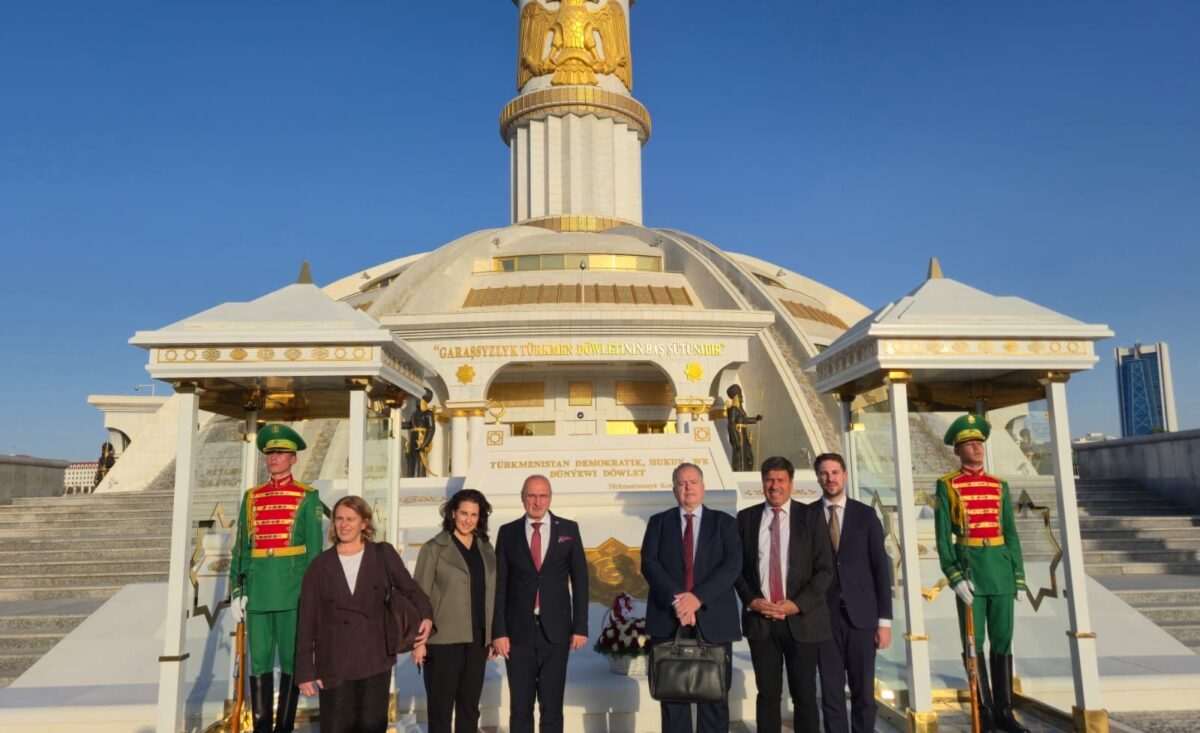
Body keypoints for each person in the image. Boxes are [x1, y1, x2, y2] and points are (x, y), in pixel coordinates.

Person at [295, 496, 433, 733]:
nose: (344, 524)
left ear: (364, 524)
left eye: (351, 519)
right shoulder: (319, 566)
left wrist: (427, 617)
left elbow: (411, 589)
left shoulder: (382, 554)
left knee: (371, 727)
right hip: (334, 664)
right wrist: (305, 671)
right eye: (339, 519)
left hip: (375, 659)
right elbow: (307, 621)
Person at [935, 415, 1029, 733]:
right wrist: (954, 576)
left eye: (979, 444)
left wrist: (1018, 575)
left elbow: (1012, 534)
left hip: (1000, 571)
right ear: (958, 450)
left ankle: (1004, 710)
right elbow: (942, 537)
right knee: (974, 644)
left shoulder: (999, 486)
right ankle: (984, 710)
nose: (977, 449)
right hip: (971, 572)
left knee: (1003, 642)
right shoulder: (947, 485)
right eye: (970, 445)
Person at [229, 424, 325, 733]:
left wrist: (311, 596)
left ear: (293, 459)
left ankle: (284, 727)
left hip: (291, 592)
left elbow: (314, 553)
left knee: (290, 662)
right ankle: (261, 728)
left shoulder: (307, 497)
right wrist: (236, 589)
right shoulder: (252, 497)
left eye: (280, 453)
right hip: (257, 592)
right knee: (257, 665)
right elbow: (241, 547)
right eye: (270, 453)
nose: (273, 458)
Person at [641, 462, 742, 733]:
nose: (688, 488)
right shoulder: (658, 523)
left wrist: (697, 598)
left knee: (714, 697)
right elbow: (649, 564)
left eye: (693, 482)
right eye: (682, 483)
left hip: (713, 618)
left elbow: (732, 566)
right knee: (673, 698)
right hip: (668, 618)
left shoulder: (724, 524)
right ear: (674, 489)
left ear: (703, 487)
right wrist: (680, 600)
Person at [735, 456, 834, 733]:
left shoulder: (812, 517)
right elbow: (736, 569)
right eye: (769, 480)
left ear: (791, 484)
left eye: (780, 480)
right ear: (762, 483)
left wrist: (796, 605)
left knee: (804, 696)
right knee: (767, 695)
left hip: (802, 621)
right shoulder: (746, 519)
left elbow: (825, 570)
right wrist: (751, 600)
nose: (774, 485)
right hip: (761, 622)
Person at [492, 475, 589, 733]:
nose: (537, 501)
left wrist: (580, 627)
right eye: (531, 496)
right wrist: (499, 632)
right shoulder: (508, 532)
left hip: (556, 633)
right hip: (518, 633)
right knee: (520, 707)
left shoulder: (569, 530)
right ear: (523, 498)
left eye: (542, 495)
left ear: (550, 498)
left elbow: (581, 581)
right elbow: (500, 585)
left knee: (552, 706)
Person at [812, 452, 892, 733]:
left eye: (835, 472)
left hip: (862, 618)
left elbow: (881, 569)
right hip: (823, 619)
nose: (830, 478)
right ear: (817, 477)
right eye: (824, 473)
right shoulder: (807, 516)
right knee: (831, 694)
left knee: (863, 694)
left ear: (844, 475)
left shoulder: (865, 515)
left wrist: (884, 622)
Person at [413, 489, 497, 733]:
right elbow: (419, 597)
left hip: (477, 640)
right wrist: (419, 642)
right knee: (440, 710)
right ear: (452, 513)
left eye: (474, 514)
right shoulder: (434, 548)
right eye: (463, 513)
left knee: (470, 708)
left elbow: (491, 592)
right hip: (443, 641)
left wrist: (491, 635)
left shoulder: (486, 548)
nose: (468, 519)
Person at [725, 384, 762, 471]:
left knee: (748, 454)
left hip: (744, 434)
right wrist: (736, 438)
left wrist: (755, 419)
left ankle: (747, 469)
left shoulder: (740, 410)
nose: (741, 397)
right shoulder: (733, 409)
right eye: (739, 395)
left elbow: (744, 420)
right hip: (738, 434)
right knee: (740, 455)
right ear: (735, 397)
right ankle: (740, 469)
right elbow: (731, 424)